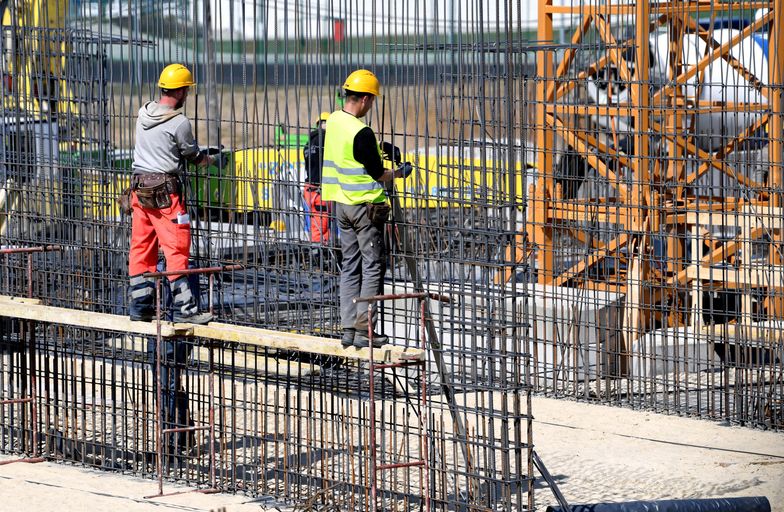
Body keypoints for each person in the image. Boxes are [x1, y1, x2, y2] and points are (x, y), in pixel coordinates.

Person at [321, 69, 413, 349]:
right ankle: (365, 331)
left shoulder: (334, 120)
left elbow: (352, 151)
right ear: (362, 98)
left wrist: (377, 146)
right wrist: (400, 172)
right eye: (371, 100)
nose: (371, 105)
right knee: (372, 266)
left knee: (350, 266)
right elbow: (377, 173)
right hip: (364, 208)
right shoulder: (361, 131)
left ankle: (348, 329)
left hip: (341, 205)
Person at [128, 63, 224, 325]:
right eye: (187, 90)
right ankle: (186, 309)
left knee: (141, 248)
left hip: (140, 192)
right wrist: (214, 159)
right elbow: (192, 156)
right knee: (176, 248)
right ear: (181, 91)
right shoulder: (179, 122)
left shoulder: (143, 112)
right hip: (165, 196)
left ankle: (140, 306)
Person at [302, 111, 331, 245]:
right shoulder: (326, 138)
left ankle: (321, 253)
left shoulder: (308, 143)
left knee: (319, 222)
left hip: (310, 188)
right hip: (320, 189)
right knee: (321, 225)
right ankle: (318, 254)